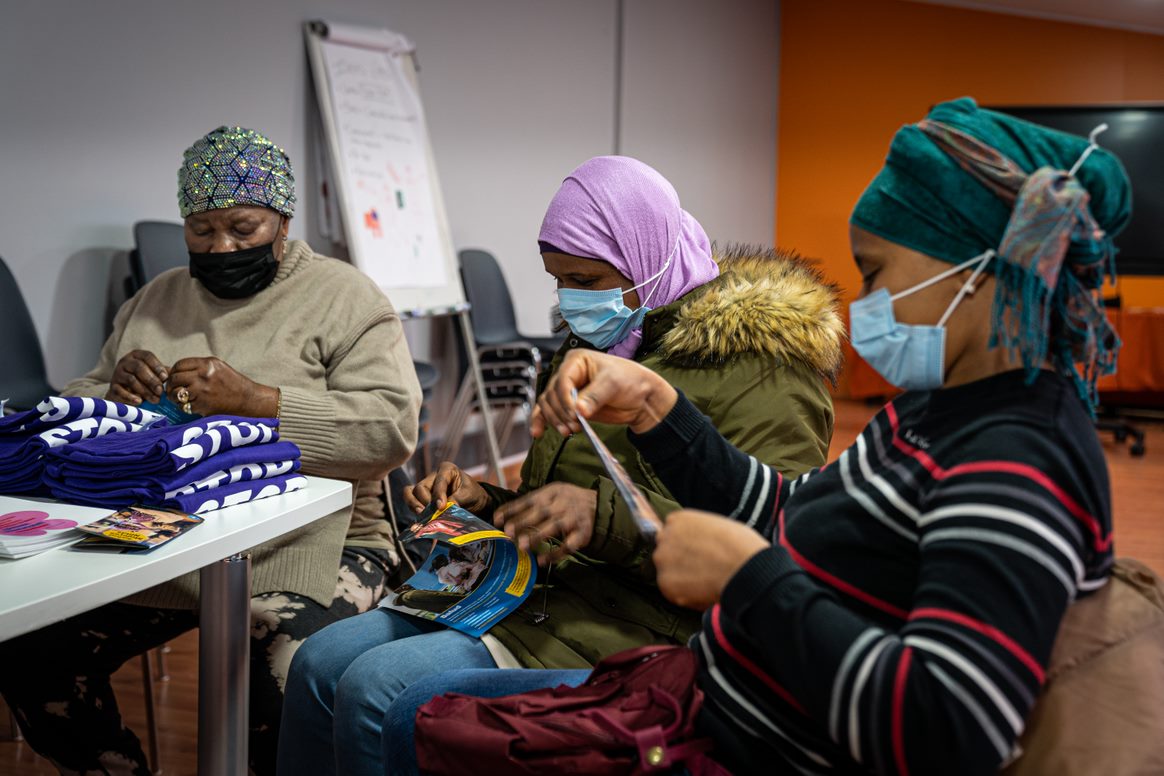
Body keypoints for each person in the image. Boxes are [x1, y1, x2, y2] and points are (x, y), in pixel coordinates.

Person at [375, 97, 1132, 775]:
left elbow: (946, 728)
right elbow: (791, 507)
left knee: (407, 714)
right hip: (712, 707)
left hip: (747, 741)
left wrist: (750, 580)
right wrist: (658, 410)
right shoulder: (941, 409)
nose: (863, 299)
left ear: (983, 273)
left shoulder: (1013, 459)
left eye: (875, 272)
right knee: (420, 717)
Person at [277, 155, 844, 775]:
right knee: (320, 661)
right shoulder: (601, 337)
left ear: (647, 259)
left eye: (587, 279)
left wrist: (596, 518)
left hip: (647, 629)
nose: (571, 300)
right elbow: (559, 502)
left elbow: (764, 545)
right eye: (558, 280)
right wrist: (488, 500)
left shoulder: (764, 371)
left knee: (379, 689)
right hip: (541, 592)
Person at [0, 126, 422, 775]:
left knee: (275, 666)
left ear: (283, 223)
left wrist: (264, 402)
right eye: (201, 230)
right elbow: (81, 396)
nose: (221, 246)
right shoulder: (156, 298)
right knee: (31, 650)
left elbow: (389, 430)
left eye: (242, 227)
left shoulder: (346, 298)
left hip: (320, 542)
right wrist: (115, 392)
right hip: (168, 538)